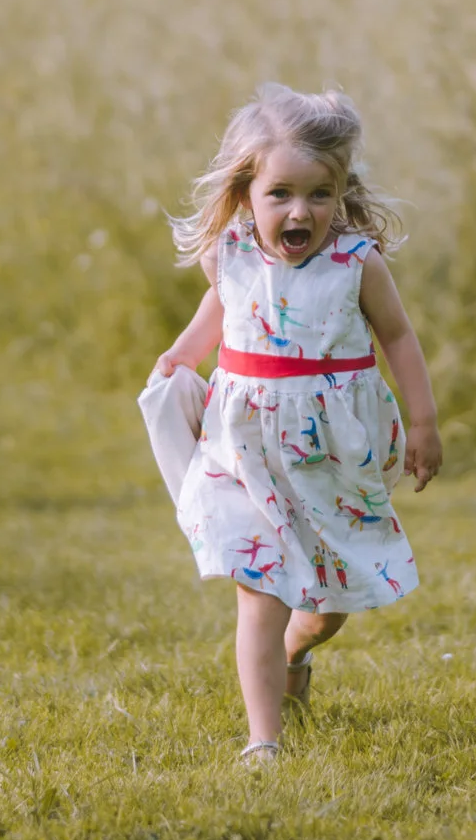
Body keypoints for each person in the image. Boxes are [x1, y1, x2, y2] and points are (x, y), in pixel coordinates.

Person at [151, 84, 444, 765]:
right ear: (246, 191)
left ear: (340, 193)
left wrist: (424, 423)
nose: (299, 210)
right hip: (244, 453)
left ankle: (295, 655)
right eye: (280, 192)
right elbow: (215, 317)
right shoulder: (229, 254)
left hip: (328, 460)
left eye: (319, 194)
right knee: (261, 590)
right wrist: (177, 359)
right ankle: (264, 739)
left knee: (326, 605)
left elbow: (399, 337)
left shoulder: (355, 262)